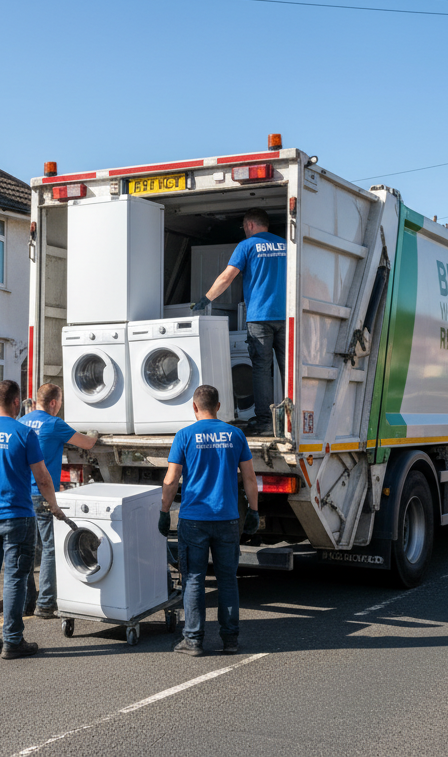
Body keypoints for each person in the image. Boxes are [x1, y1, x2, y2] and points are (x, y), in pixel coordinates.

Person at [0, 380, 66, 659]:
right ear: (16, 402)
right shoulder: (23, 434)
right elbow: (43, 478)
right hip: (17, 516)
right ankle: (12, 640)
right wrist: (54, 506)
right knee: (16, 578)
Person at [160, 384, 258, 656]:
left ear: (194, 408)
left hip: (194, 520)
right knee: (228, 580)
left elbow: (171, 480)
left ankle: (193, 641)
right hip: (227, 519)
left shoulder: (185, 435)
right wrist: (254, 511)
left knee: (194, 579)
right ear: (218, 406)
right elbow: (249, 478)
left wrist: (164, 511)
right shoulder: (236, 435)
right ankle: (230, 641)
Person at [193, 208, 287, 435]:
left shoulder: (247, 246)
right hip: (287, 316)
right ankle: (290, 420)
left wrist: (205, 299)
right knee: (289, 370)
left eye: (244, 226)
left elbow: (228, 276)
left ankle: (265, 422)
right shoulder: (286, 244)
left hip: (259, 318)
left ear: (250, 225)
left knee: (262, 370)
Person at [18, 383, 97, 619]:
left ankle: (25, 604)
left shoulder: (21, 422)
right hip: (42, 496)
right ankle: (45, 603)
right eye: (60, 402)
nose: (60, 406)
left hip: (22, 495)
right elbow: (87, 443)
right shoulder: (55, 424)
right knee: (50, 549)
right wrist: (96, 432)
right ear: (53, 402)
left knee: (25, 552)